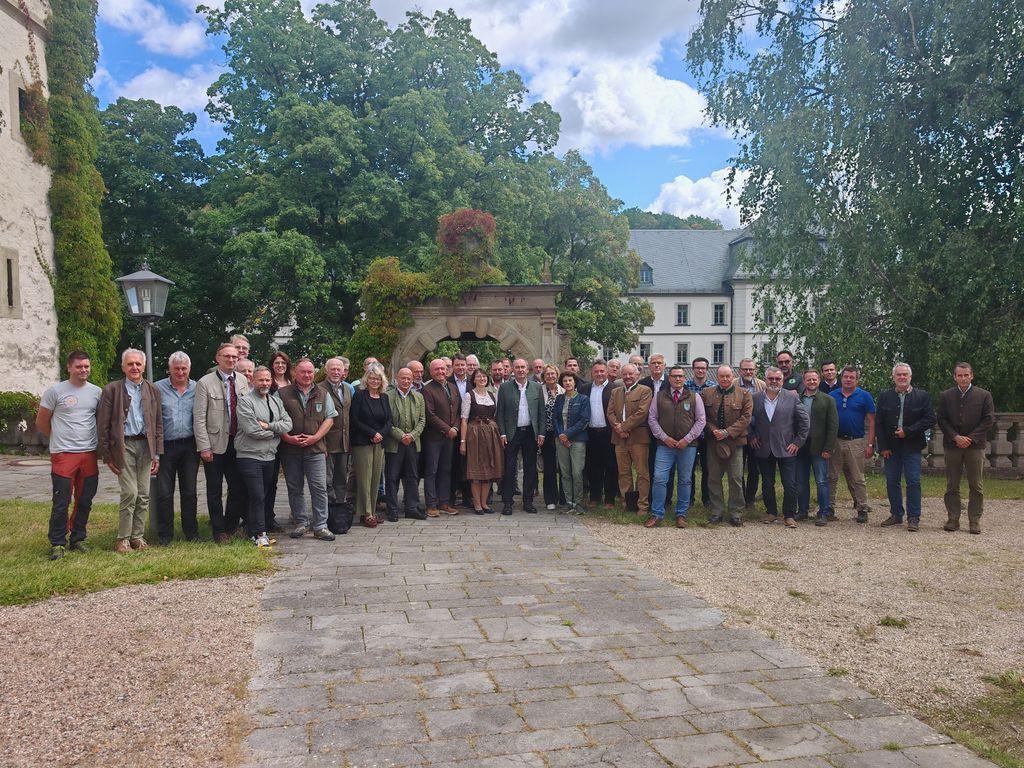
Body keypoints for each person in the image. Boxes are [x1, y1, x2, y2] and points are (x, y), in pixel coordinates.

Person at [36, 351, 101, 560]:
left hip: (89, 453)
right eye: (79, 367)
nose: (84, 370)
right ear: (69, 368)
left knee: (85, 500)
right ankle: (57, 542)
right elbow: (41, 422)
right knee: (61, 501)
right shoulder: (55, 391)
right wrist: (58, 440)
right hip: (64, 455)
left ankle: (78, 538)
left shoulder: (96, 392)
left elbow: (99, 420)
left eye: (86, 367)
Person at [97, 348, 163, 553]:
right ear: (123, 367)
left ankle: (138, 537)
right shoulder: (112, 390)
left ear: (144, 366)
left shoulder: (152, 390)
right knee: (130, 492)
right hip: (123, 446)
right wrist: (107, 455)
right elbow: (103, 424)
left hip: (146, 446)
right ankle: (123, 538)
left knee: (143, 494)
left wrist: (157, 454)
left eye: (138, 364)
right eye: (130, 364)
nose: (134, 367)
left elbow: (158, 424)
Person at [194, 342, 248, 542]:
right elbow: (199, 417)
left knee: (237, 487)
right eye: (227, 356)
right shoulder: (205, 383)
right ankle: (218, 530)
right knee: (214, 489)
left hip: (238, 442)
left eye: (234, 357)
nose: (231, 360)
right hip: (215, 444)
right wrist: (204, 446)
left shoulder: (242, 380)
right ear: (217, 358)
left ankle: (231, 525)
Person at [279, 358, 336, 541]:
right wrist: (287, 438)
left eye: (310, 372)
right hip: (290, 449)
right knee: (295, 488)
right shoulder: (282, 393)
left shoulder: (323, 393)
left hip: (316, 449)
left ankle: (320, 526)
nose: (307, 375)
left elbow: (329, 419)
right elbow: (276, 419)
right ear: (295, 372)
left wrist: (316, 437)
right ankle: (301, 523)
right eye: (303, 372)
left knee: (319, 488)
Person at [235, 366, 291, 547]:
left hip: (269, 456)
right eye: (261, 380)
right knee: (257, 495)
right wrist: (276, 432)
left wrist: (269, 426)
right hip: (249, 456)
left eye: (267, 380)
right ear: (253, 381)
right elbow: (251, 430)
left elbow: (288, 423)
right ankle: (259, 534)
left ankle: (253, 529)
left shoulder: (275, 401)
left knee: (263, 495)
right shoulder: (245, 401)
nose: (264, 383)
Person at [876, 363, 936, 532]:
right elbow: (879, 423)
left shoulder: (922, 396)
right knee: (892, 481)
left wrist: (908, 431)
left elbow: (930, 419)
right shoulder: (885, 396)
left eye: (905, 375)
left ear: (910, 377)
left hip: (912, 446)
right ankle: (896, 513)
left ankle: (913, 517)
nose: (902, 377)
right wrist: (883, 447)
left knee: (913, 482)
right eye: (898, 375)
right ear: (893, 377)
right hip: (891, 448)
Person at [936, 362, 995, 534]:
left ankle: (974, 520)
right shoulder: (946, 396)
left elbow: (988, 420)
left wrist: (970, 438)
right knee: (952, 484)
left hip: (975, 446)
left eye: (966, 375)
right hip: (952, 445)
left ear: (972, 376)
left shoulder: (984, 395)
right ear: (954, 377)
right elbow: (942, 419)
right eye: (959, 375)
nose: (963, 378)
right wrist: (955, 437)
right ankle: (953, 518)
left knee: (976, 484)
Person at [646, 365, 706, 527]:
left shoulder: (694, 397)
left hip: (688, 446)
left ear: (684, 378)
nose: (678, 379)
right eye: (674, 376)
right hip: (665, 445)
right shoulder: (659, 396)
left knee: (685, 480)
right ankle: (657, 513)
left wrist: (687, 439)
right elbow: (652, 419)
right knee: (659, 478)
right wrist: (664, 438)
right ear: (669, 378)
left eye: (680, 376)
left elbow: (701, 420)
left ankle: (681, 514)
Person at [749, 368, 809, 527]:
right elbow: (745, 419)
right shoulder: (755, 398)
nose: (774, 381)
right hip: (763, 447)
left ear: (782, 381)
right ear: (765, 379)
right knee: (767, 483)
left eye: (777, 379)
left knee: (789, 483)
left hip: (786, 447)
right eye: (771, 378)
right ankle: (771, 512)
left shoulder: (791, 397)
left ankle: (789, 515)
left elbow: (804, 422)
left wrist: (798, 442)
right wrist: (751, 436)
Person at [154, 351, 199, 545]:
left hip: (189, 445)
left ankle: (191, 532)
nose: (180, 372)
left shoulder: (197, 388)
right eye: (176, 369)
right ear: (170, 369)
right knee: (164, 492)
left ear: (189, 369)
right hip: (166, 446)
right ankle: (165, 534)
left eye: (183, 368)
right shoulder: (158, 388)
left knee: (189, 491)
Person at [702, 365, 753, 526]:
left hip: (735, 442)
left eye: (728, 376)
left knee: (736, 477)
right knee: (714, 477)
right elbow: (703, 417)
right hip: (714, 442)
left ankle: (736, 512)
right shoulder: (707, 393)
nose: (725, 379)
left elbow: (746, 418)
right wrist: (714, 430)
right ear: (717, 377)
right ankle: (717, 511)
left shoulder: (744, 394)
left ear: (733, 376)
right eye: (722, 376)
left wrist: (728, 432)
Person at [496, 358, 545, 515]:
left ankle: (528, 501)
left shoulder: (536, 388)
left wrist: (541, 433)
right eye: (517, 367)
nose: (520, 370)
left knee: (530, 469)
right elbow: (500, 412)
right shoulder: (505, 388)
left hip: (530, 432)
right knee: (509, 468)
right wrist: (502, 432)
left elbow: (541, 413)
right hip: (512, 432)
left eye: (523, 367)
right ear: (512, 370)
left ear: (527, 369)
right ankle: (508, 502)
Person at [827, 365, 876, 523]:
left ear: (857, 379)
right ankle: (829, 508)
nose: (848, 380)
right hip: (835, 440)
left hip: (855, 441)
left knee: (858, 477)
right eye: (846, 377)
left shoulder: (865, 396)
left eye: (852, 377)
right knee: (832, 476)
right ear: (841, 378)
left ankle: (862, 508)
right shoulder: (832, 395)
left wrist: (870, 444)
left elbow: (872, 420)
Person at [350, 362, 393, 527]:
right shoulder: (360, 395)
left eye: (377, 379)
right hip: (363, 442)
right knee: (364, 478)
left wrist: (381, 433)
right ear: (366, 380)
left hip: (380, 442)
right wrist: (372, 433)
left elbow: (389, 419)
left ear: (382, 381)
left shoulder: (384, 397)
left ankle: (373, 510)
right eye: (372, 378)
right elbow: (355, 419)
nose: (374, 381)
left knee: (376, 478)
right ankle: (365, 513)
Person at [607, 363, 652, 515]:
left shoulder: (645, 391)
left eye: (630, 374)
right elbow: (610, 413)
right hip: (619, 439)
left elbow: (642, 413)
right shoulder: (615, 392)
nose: (627, 377)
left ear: (637, 375)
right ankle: (627, 503)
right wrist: (618, 428)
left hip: (639, 438)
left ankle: (642, 505)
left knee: (642, 473)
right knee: (623, 473)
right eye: (624, 374)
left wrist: (624, 427)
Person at [459, 367, 504, 514]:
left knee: (488, 472)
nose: (482, 379)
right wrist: (463, 442)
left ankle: (484, 503)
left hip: (490, 435)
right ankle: (477, 504)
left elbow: (496, 416)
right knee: (476, 472)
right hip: (474, 435)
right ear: (474, 380)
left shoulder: (492, 395)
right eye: (478, 376)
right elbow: (464, 420)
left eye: (484, 376)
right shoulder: (469, 396)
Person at [796, 369, 838, 526]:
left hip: (820, 447)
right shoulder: (797, 399)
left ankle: (823, 512)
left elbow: (833, 426)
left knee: (821, 480)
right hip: (801, 446)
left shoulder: (828, 400)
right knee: (801, 481)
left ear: (818, 381)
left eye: (814, 379)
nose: (812, 382)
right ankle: (802, 511)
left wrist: (829, 448)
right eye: (809, 380)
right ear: (804, 381)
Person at [384, 367, 425, 521]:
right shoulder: (387, 396)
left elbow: (422, 419)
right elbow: (387, 421)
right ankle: (392, 509)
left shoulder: (418, 397)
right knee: (392, 477)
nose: (406, 381)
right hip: (395, 443)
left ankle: (411, 507)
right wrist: (401, 435)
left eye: (409, 378)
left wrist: (412, 435)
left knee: (412, 476)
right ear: (397, 378)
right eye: (403, 378)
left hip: (413, 443)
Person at [422, 358, 461, 517]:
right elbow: (429, 414)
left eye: (443, 369)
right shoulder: (427, 389)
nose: (440, 372)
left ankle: (444, 502)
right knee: (431, 470)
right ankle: (431, 504)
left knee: (446, 469)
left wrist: (456, 427)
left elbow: (458, 411)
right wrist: (447, 429)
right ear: (431, 372)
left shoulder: (452, 387)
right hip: (434, 437)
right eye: (436, 369)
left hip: (450, 437)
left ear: (447, 370)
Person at [580, 359, 617, 508]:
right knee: (593, 466)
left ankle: (609, 499)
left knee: (610, 466)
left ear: (607, 372)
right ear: (592, 373)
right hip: (591, 433)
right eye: (596, 371)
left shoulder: (615, 389)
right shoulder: (585, 389)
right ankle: (594, 497)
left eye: (602, 371)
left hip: (609, 433)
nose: (599, 374)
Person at [552, 371, 589, 513]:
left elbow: (584, 420)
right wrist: (561, 435)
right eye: (565, 381)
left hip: (577, 440)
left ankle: (578, 503)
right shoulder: (559, 399)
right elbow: (555, 418)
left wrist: (567, 434)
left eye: (570, 380)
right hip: (560, 440)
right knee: (565, 472)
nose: (567, 383)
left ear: (575, 382)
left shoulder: (583, 399)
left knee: (577, 472)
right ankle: (568, 502)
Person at [318, 357, 353, 509]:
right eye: (333, 369)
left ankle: (340, 510)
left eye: (339, 369)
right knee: (326, 481)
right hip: (327, 443)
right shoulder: (319, 389)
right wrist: (321, 443)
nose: (336, 372)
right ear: (326, 370)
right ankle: (326, 512)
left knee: (341, 479)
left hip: (344, 443)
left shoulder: (346, 389)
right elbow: (317, 420)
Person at [685, 357, 714, 508]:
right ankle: (689, 498)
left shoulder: (713, 387)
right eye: (697, 368)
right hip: (690, 435)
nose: (700, 370)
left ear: (707, 370)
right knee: (688, 468)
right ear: (693, 369)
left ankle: (707, 499)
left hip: (708, 435)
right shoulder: (685, 386)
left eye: (703, 368)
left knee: (707, 468)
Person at [737, 358, 766, 507]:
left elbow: (765, 413)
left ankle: (750, 499)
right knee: (738, 469)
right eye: (745, 369)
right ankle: (740, 497)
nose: (748, 372)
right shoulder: (733, 384)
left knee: (755, 469)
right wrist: (748, 432)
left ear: (755, 370)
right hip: (739, 434)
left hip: (757, 435)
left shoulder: (762, 386)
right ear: (740, 370)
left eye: (751, 369)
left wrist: (755, 434)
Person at [539, 364, 565, 510]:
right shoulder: (539, 390)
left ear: (557, 375)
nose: (550, 376)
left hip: (561, 433)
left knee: (562, 466)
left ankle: (563, 497)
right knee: (549, 467)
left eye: (553, 374)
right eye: (547, 374)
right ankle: (550, 499)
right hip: (546, 434)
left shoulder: (563, 390)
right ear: (544, 376)